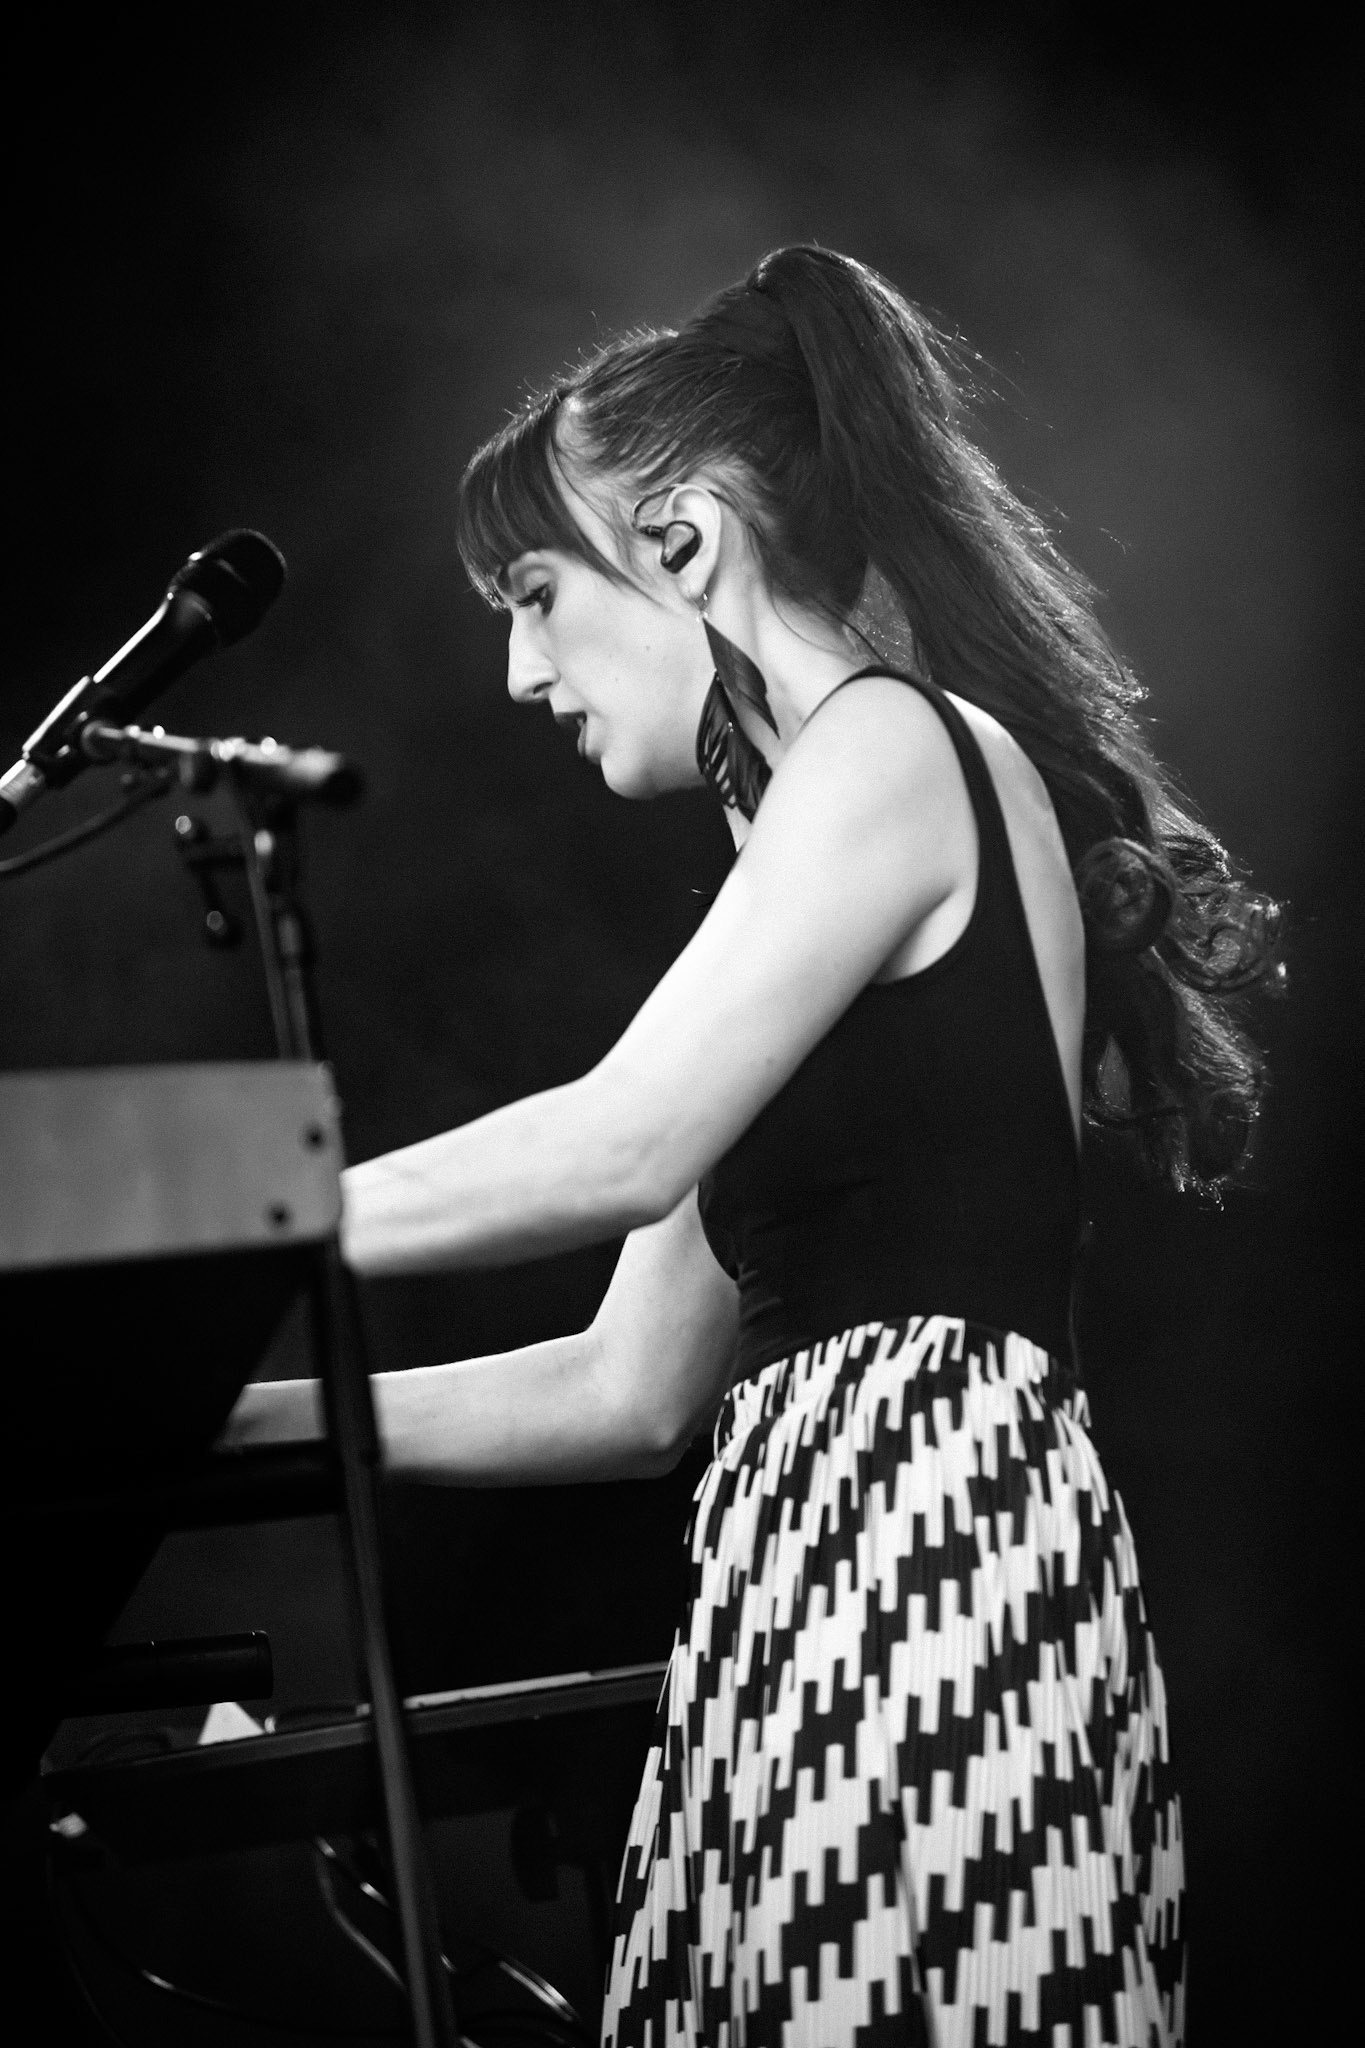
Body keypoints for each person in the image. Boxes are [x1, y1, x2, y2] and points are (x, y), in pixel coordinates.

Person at [227, 245, 1280, 2045]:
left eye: (535, 594)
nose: (514, 671)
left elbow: (620, 1144)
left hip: (925, 1569)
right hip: (804, 1577)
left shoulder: (887, 752)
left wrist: (196, 1233)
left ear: (687, 538)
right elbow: (627, 1387)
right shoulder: (807, 842)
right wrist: (217, 1421)